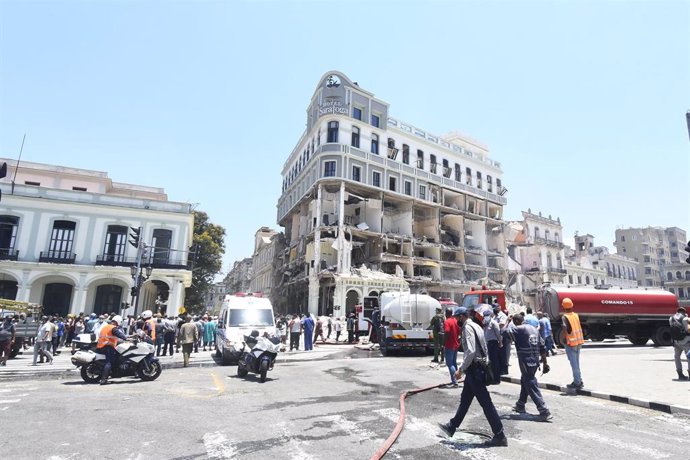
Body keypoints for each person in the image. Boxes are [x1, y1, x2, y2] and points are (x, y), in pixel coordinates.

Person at [439, 307, 507, 447]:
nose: (456, 321)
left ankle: (500, 434)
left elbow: (470, 351)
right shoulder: (477, 326)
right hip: (476, 369)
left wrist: (460, 370)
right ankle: (452, 426)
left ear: (462, 317)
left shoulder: (467, 328)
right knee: (465, 400)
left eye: (457, 318)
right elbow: (484, 348)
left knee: (486, 403)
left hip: (474, 370)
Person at [508, 313, 552, 421]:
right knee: (525, 380)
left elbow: (504, 332)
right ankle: (520, 404)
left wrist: (507, 322)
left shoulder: (519, 329)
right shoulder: (534, 329)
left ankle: (544, 410)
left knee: (530, 383)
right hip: (535, 360)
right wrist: (545, 363)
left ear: (516, 322)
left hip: (525, 360)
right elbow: (543, 347)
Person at [561, 297, 585, 389]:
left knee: (574, 364)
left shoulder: (564, 316)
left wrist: (563, 338)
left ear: (563, 307)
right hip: (578, 342)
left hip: (571, 343)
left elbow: (564, 327)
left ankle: (577, 382)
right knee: (577, 363)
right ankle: (579, 379)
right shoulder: (576, 315)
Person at [96, 315, 127, 385]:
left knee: (115, 357)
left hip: (100, 346)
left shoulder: (106, 326)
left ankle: (113, 372)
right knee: (109, 362)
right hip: (107, 347)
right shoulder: (113, 328)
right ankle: (104, 379)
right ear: (118, 322)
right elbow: (119, 334)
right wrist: (126, 338)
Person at [482, 306, 502, 385]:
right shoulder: (484, 322)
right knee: (487, 362)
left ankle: (496, 379)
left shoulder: (494, 323)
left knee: (494, 362)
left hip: (493, 343)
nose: (485, 317)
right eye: (484, 316)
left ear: (490, 315)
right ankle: (490, 378)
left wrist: (500, 342)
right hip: (486, 344)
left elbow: (498, 333)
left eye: (487, 316)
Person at [669, 306, 690, 380]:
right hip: (685, 341)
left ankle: (680, 374)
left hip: (676, 341)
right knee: (689, 357)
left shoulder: (671, 318)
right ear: (684, 312)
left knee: (677, 357)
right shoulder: (685, 319)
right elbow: (688, 330)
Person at [443, 307, 461, 387]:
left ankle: (455, 382)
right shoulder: (455, 321)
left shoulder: (447, 321)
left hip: (449, 345)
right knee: (454, 363)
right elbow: (460, 331)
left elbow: (446, 332)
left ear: (446, 313)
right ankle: (456, 379)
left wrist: (444, 342)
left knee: (450, 364)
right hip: (455, 345)